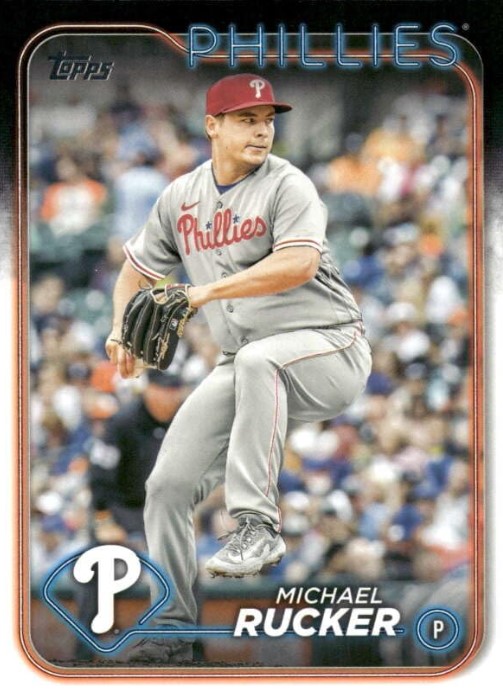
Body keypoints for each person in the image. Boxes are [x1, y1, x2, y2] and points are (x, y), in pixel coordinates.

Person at [105, 73, 372, 662]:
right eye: (247, 119)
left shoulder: (288, 184)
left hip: (329, 346)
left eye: (268, 120)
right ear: (213, 126)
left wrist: (202, 293)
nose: (262, 130)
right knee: (167, 487)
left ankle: (257, 526)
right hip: (244, 360)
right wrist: (121, 327)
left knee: (257, 360)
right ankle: (171, 629)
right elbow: (135, 273)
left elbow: (298, 264)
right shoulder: (181, 197)